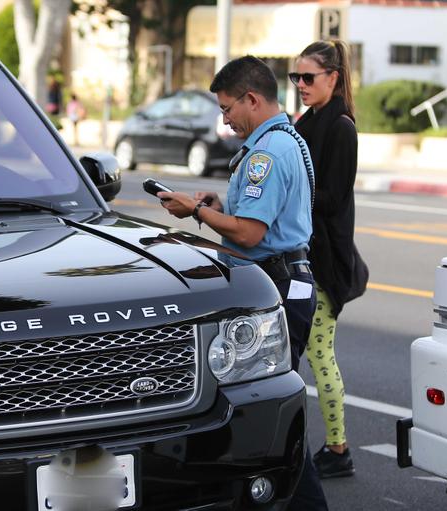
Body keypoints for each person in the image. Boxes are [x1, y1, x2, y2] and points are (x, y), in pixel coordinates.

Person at [157, 55, 328, 511]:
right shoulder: (284, 138)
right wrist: (219, 205)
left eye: (228, 107)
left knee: (270, 410)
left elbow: (251, 233)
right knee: (270, 406)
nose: (225, 119)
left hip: (278, 283)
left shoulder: (267, 153)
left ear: (252, 99)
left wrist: (195, 212)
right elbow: (257, 219)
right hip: (288, 277)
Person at [291, 40, 359, 479]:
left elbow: (333, 198)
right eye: (295, 77)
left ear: (332, 78)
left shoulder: (341, 128)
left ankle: (338, 450)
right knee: (297, 354)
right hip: (301, 257)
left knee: (319, 355)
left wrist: (291, 195)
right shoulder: (306, 122)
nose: (300, 85)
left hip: (325, 262)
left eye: (308, 77)